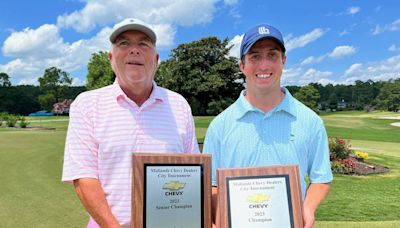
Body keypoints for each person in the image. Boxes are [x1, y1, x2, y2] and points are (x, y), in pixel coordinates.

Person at [62, 18, 199, 228]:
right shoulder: (87, 104)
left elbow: (194, 174)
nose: (134, 50)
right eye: (124, 43)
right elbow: (83, 177)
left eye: (143, 43)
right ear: (111, 58)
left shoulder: (179, 105)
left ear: (156, 58)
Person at [203, 23, 332, 228]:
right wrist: (220, 218)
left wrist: (308, 208)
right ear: (242, 65)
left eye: (272, 55)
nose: (264, 65)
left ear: (283, 61)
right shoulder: (220, 125)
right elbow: (211, 185)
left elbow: (321, 178)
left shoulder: (311, 121)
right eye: (255, 56)